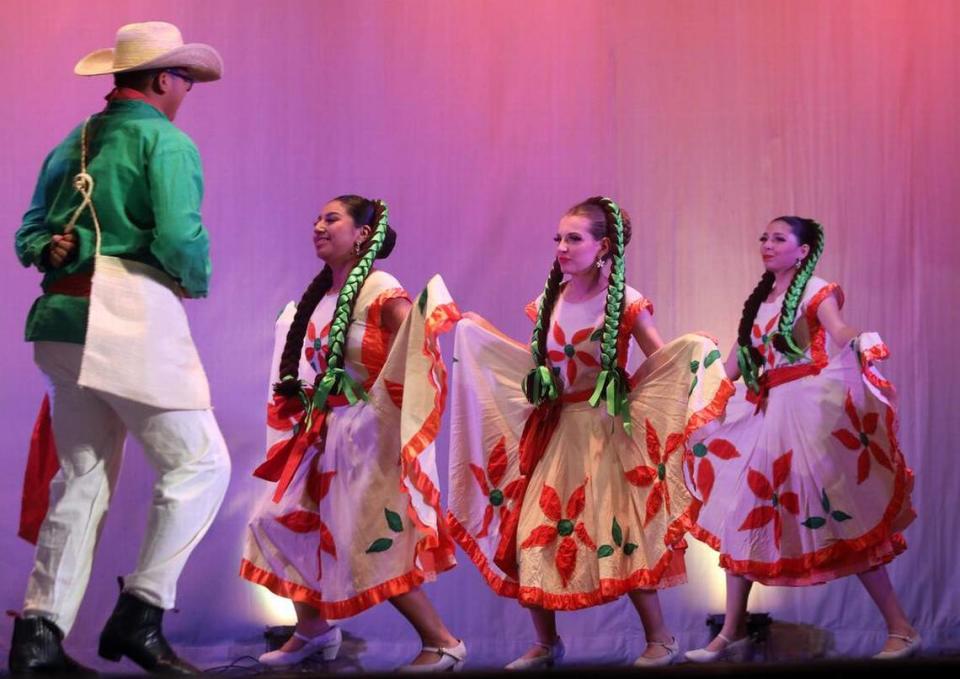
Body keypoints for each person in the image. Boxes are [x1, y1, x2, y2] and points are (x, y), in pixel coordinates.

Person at [9, 21, 230, 675]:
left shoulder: (69, 144)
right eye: (185, 77)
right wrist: (195, 280)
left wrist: (45, 249)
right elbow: (179, 235)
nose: (187, 88)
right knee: (201, 462)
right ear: (164, 79)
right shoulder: (165, 140)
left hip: (60, 322)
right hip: (126, 313)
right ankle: (141, 611)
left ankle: (39, 636)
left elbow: (27, 233)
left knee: (80, 475)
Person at [446, 197, 733, 668]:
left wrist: (693, 354)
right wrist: (484, 335)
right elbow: (542, 362)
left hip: (605, 434)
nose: (561, 246)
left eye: (573, 238)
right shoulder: (548, 301)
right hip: (556, 431)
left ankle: (660, 638)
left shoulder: (626, 302)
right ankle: (545, 642)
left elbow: (660, 361)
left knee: (622, 533)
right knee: (530, 532)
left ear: (603, 246)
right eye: (558, 238)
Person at [241, 196, 465, 671]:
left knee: (365, 537)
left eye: (331, 219)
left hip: (366, 438)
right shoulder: (319, 299)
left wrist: (380, 409)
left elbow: (418, 347)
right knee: (276, 519)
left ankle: (443, 641)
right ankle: (314, 630)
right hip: (324, 434)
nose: (318, 226)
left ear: (363, 234)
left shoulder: (382, 289)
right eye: (317, 219)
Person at [684, 217, 918, 662]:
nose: (766, 245)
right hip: (768, 415)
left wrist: (860, 341)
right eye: (763, 238)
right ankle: (731, 631)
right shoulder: (760, 301)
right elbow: (735, 364)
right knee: (743, 516)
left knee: (840, 515)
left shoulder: (815, 290)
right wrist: (697, 390)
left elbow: (839, 329)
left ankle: (901, 628)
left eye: (778, 239)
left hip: (807, 414)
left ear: (803, 250)